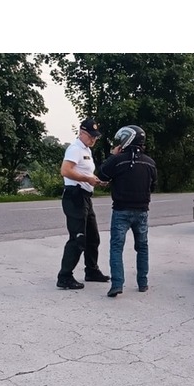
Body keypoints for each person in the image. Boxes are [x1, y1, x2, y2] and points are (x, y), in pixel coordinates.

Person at [98, 125, 157, 298]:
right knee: (142, 247)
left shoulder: (118, 160)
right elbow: (153, 185)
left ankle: (117, 284)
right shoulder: (150, 162)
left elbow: (101, 174)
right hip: (142, 211)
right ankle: (143, 283)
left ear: (127, 139)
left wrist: (113, 155)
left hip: (121, 210)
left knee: (117, 247)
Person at [56, 118, 111, 290]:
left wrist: (94, 180)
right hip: (75, 197)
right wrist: (87, 179)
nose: (93, 139)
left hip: (85, 197)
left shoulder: (86, 150)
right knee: (78, 238)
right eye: (91, 136)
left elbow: (85, 171)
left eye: (95, 137)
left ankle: (92, 271)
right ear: (82, 132)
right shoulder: (75, 149)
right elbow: (65, 171)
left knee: (93, 237)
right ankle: (64, 277)